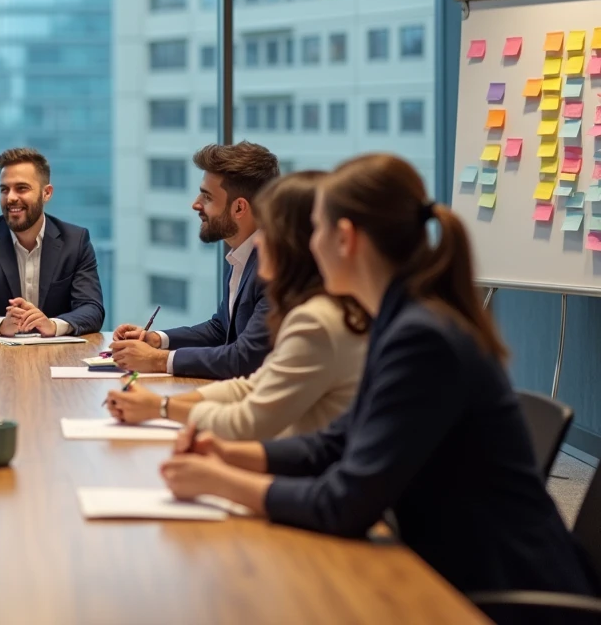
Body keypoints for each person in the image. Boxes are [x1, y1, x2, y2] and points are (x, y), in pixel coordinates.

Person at [159, 153, 598, 598]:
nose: (309, 244)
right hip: (456, 568)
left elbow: (345, 503)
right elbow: (335, 443)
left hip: (500, 593)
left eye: (317, 229)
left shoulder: (421, 339)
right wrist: (227, 454)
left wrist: (220, 481)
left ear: (345, 238)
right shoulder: (400, 320)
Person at [105, 171, 367, 440]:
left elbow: (251, 417)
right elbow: (252, 386)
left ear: (295, 242)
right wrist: (161, 400)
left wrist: (161, 406)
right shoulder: (310, 307)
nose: (258, 240)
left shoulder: (317, 320)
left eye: (268, 230)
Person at [109, 142, 278, 379]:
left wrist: (158, 360)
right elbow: (222, 328)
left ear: (239, 208)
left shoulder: (274, 266)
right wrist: (156, 339)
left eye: (207, 197)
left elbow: (246, 358)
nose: (196, 204)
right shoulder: (241, 254)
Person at [0, 147, 104, 337]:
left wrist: (53, 325)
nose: (11, 197)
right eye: (4, 189)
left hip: (57, 353)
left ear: (46, 193)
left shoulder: (75, 241)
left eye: (21, 188)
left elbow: (92, 308)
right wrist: (1, 325)